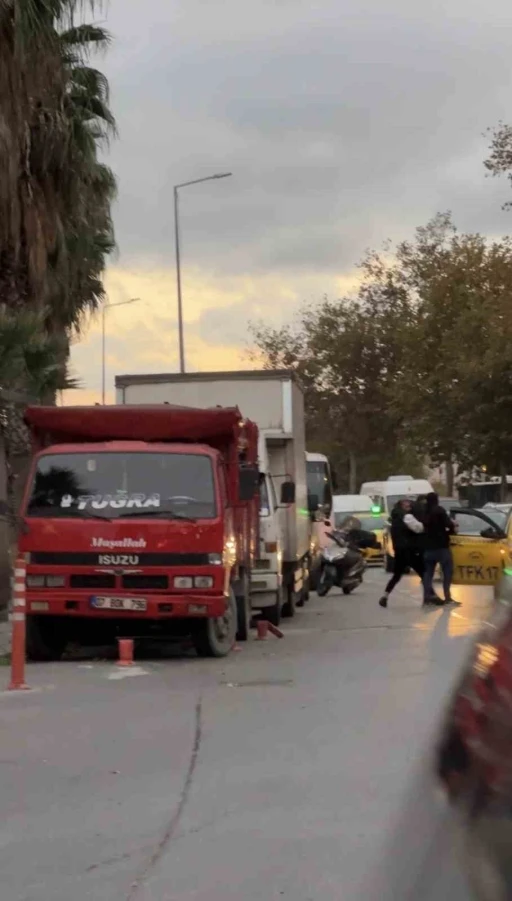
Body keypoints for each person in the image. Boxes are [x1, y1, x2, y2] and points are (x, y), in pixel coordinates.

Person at [379, 499, 439, 608]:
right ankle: (432, 597)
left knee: (396, 576)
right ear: (401, 506)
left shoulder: (395, 519)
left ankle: (385, 596)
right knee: (424, 573)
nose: (409, 505)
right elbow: (418, 528)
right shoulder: (407, 517)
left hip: (399, 551)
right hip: (410, 550)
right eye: (407, 504)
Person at [422, 492, 456, 605]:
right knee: (447, 572)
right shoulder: (439, 510)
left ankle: (427, 597)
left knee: (428, 574)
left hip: (427, 548)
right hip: (442, 547)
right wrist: (452, 530)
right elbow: (449, 524)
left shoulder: (424, 512)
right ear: (436, 500)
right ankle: (447, 596)